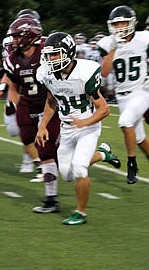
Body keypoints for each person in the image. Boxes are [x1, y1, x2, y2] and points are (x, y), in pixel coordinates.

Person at [36, 32, 120, 225]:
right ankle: (102, 154)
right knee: (66, 173)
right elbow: (51, 101)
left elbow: (104, 109)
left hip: (88, 127)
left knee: (80, 168)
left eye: (55, 54)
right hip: (67, 128)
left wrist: (85, 122)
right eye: (49, 55)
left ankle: (80, 213)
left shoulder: (85, 72)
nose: (51, 59)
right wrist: (42, 126)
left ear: (68, 52)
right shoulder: (48, 74)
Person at [3, 16, 63, 212]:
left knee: (46, 149)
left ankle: (51, 199)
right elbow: (13, 87)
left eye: (16, 37)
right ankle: (48, 164)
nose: (13, 41)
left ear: (29, 35)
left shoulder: (48, 51)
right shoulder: (12, 59)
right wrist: (13, 104)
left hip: (51, 103)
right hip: (27, 102)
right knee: (27, 137)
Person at [96, 5, 149, 184]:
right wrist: (115, 48)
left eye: (123, 23)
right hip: (122, 96)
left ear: (132, 23)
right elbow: (104, 72)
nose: (120, 27)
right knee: (140, 138)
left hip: (142, 90)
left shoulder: (144, 38)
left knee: (124, 121)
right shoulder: (107, 43)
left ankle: (132, 164)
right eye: (116, 24)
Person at [0, 9, 42, 174]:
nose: (15, 39)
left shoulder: (44, 47)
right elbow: (8, 69)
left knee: (41, 132)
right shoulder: (11, 45)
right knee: (14, 130)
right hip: (20, 89)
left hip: (44, 95)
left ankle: (34, 162)